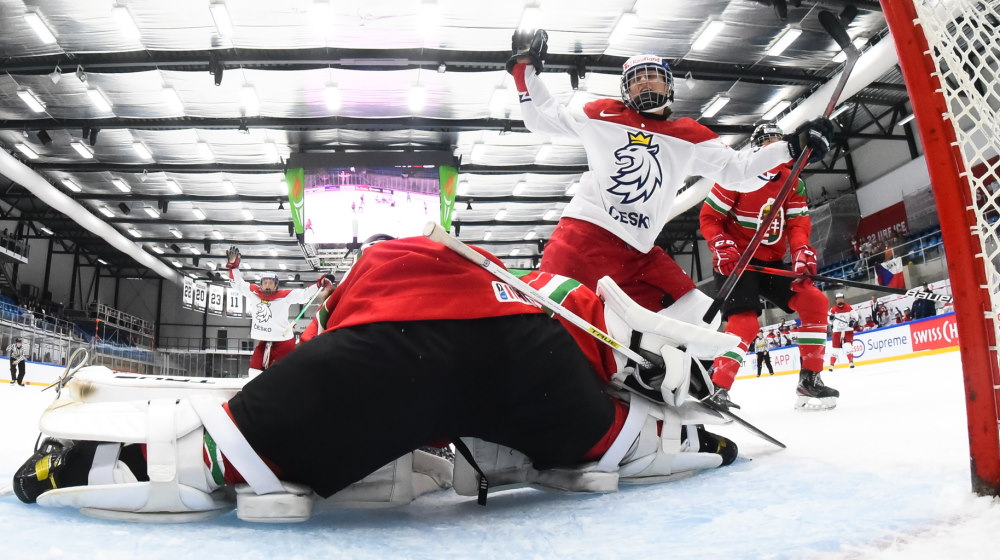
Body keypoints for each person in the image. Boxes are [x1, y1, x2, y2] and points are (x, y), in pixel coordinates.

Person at [12, 236, 738, 521]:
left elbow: (329, 363)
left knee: (229, 455)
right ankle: (668, 439)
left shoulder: (360, 283)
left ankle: (99, 461)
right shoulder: (510, 276)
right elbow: (582, 314)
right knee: (618, 444)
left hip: (387, 347)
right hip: (529, 348)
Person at [507, 30, 835, 323]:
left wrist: (792, 147)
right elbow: (542, 117)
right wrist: (526, 68)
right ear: (626, 89)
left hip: (638, 255)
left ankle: (658, 384)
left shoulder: (689, 136)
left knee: (703, 321)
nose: (644, 83)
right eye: (636, 79)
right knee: (555, 326)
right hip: (581, 241)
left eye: (652, 77)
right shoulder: (603, 115)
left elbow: (739, 172)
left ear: (668, 85)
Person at [700, 122, 837, 411]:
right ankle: (718, 386)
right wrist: (721, 244)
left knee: (815, 300)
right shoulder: (735, 176)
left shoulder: (794, 181)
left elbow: (798, 223)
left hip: (772, 263)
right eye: (767, 142)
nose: (773, 146)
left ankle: (810, 379)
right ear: (755, 148)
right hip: (737, 263)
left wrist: (801, 251)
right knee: (746, 322)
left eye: (778, 140)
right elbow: (709, 218)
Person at [226, 246, 334, 378]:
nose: (267, 285)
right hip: (264, 341)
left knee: (286, 375)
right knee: (253, 373)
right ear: (261, 283)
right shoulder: (253, 292)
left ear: (276, 284)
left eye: (271, 283)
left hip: (284, 343)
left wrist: (319, 284)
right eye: (265, 282)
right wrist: (233, 267)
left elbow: (304, 295)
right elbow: (237, 284)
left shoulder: (284, 295)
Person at [829, 293, 858, 371]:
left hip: (848, 330)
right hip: (837, 331)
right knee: (835, 349)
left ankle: (851, 362)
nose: (840, 300)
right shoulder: (832, 309)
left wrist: (852, 321)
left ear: (843, 299)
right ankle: (831, 365)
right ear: (836, 300)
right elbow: (829, 321)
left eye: (841, 298)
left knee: (848, 346)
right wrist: (831, 318)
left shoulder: (849, 307)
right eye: (838, 298)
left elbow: (855, 317)